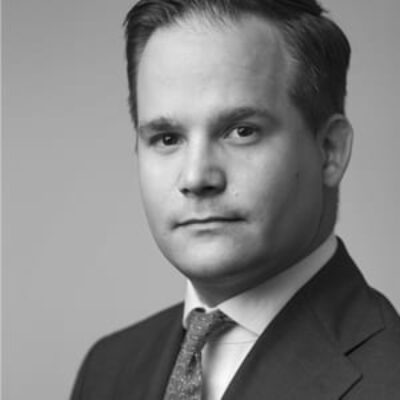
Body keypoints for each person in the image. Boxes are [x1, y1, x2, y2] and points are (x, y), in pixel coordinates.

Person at [70, 0, 400, 399]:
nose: (196, 178)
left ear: (329, 150)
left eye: (242, 131)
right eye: (167, 138)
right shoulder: (107, 368)